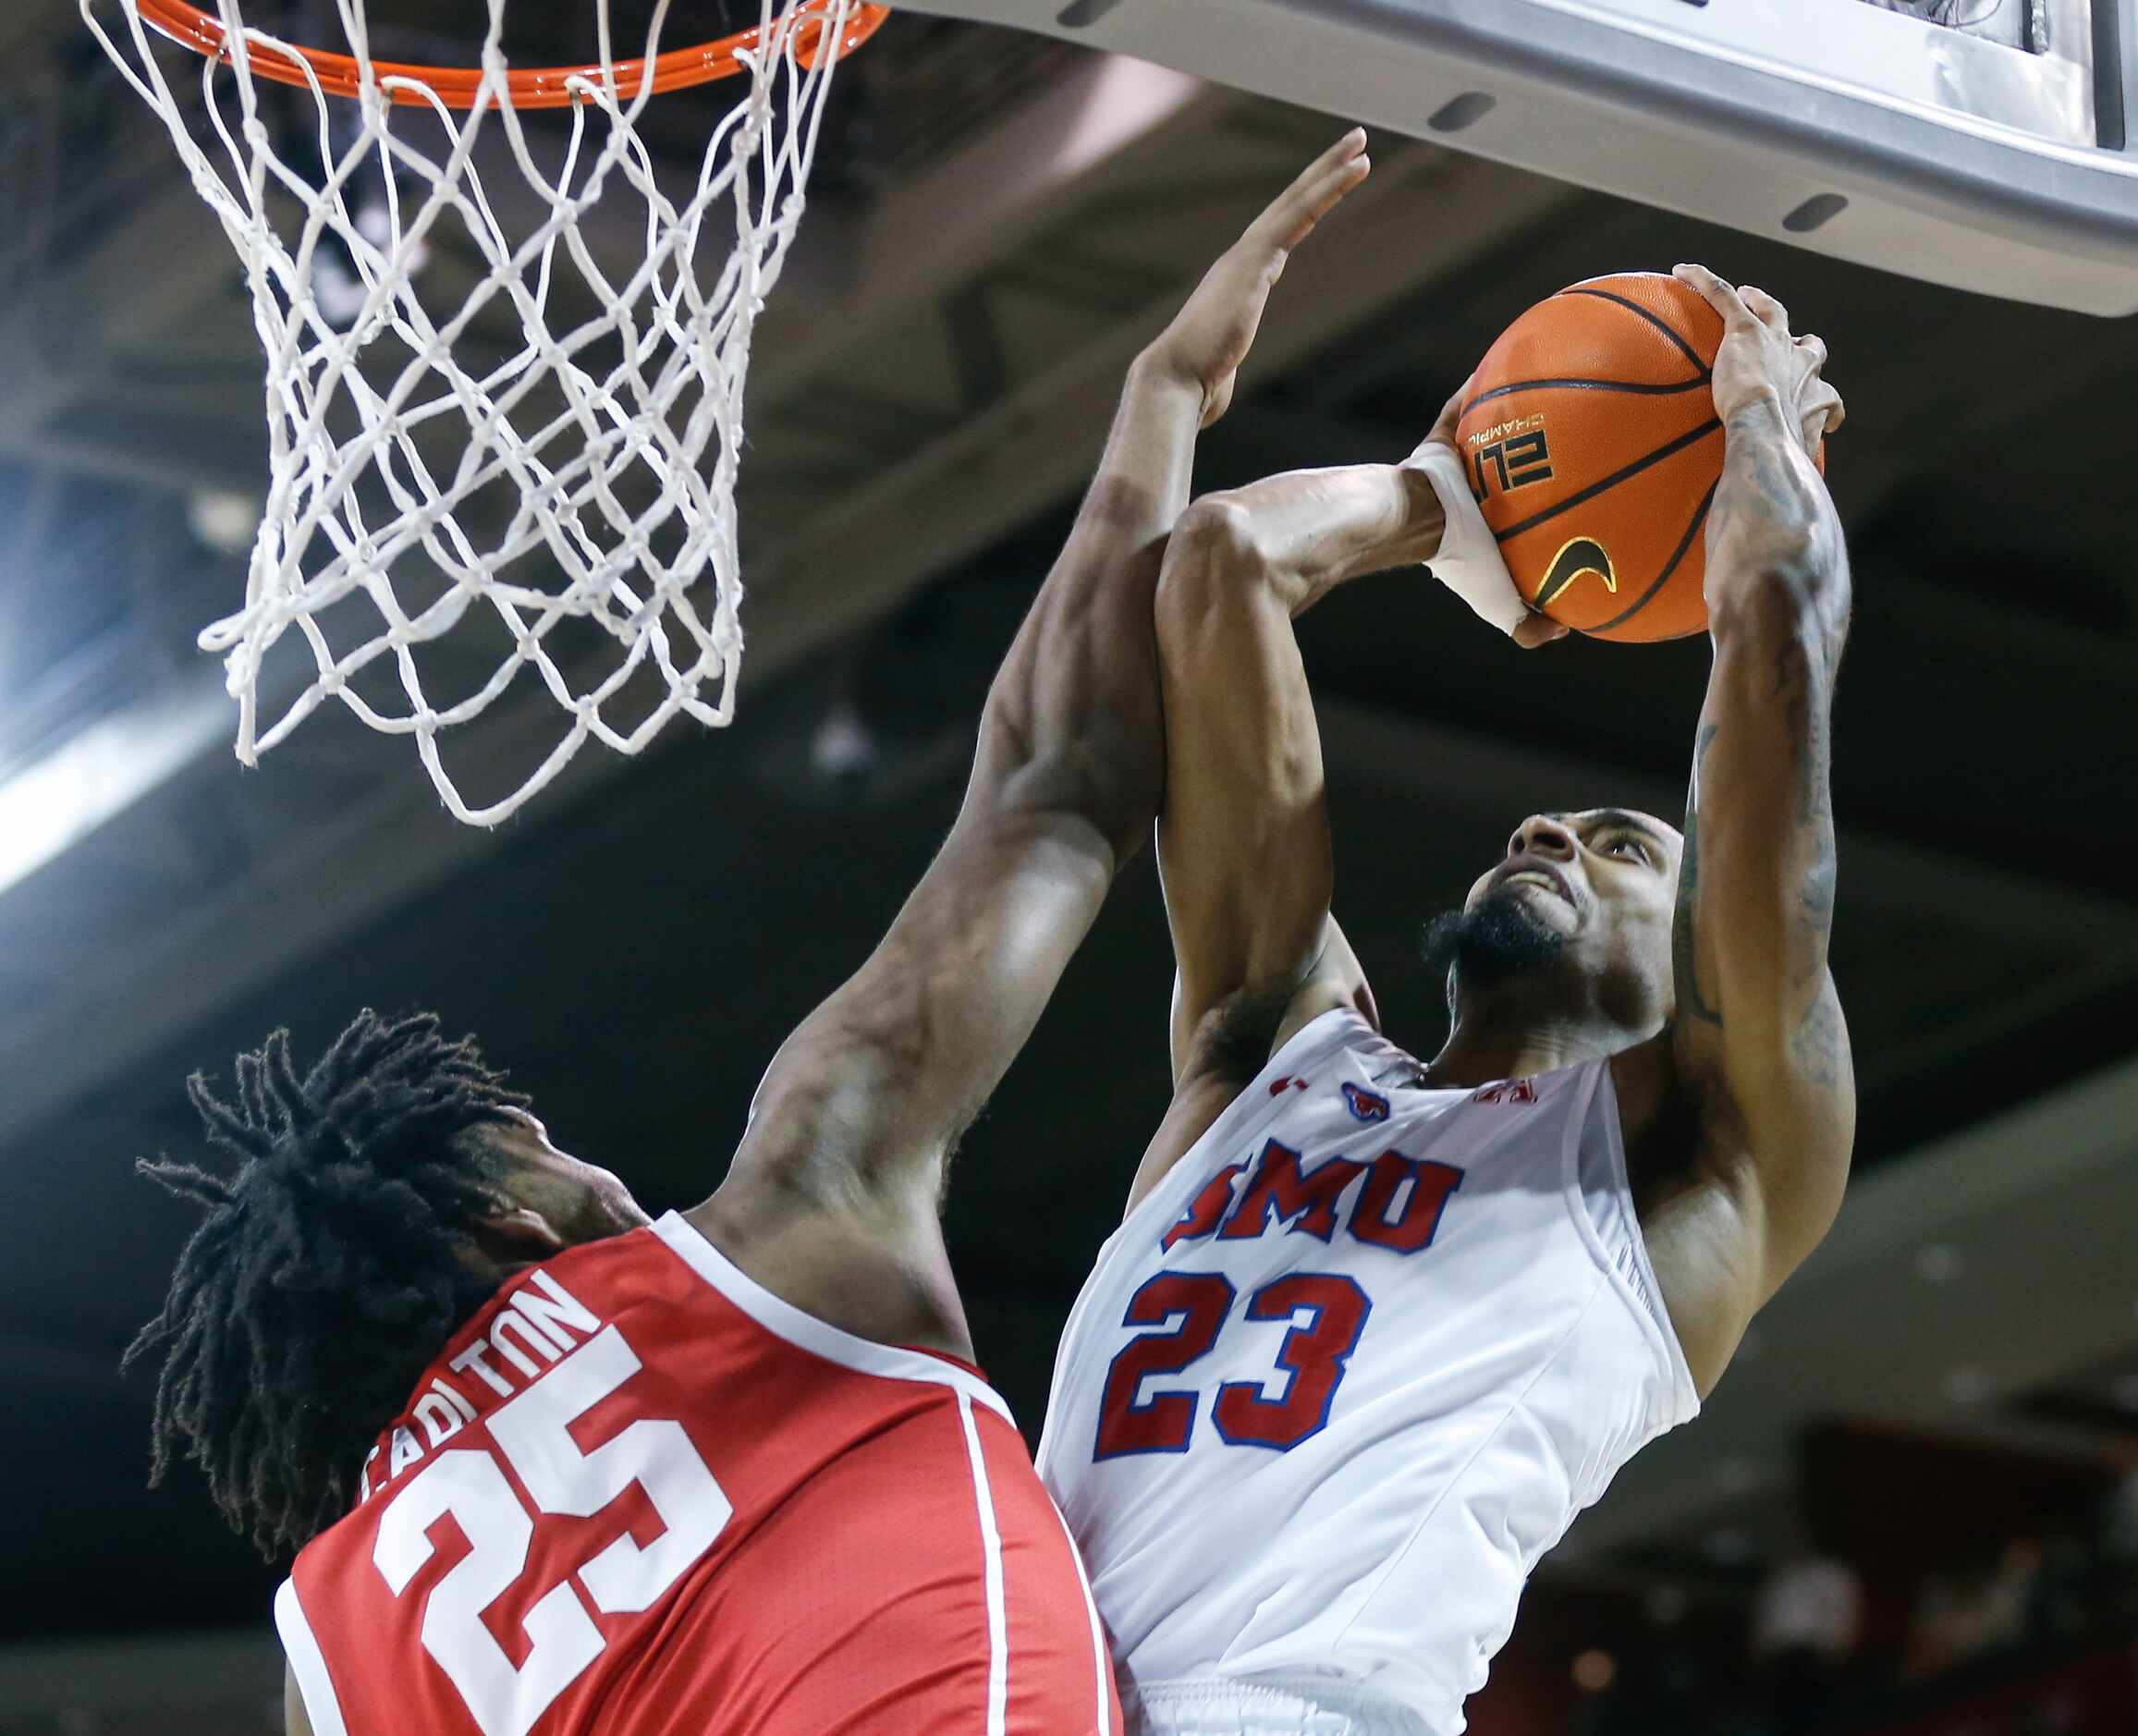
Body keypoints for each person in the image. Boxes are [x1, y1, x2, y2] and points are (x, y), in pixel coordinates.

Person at [123, 133, 1376, 1736]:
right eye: (553, 1160)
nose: (608, 1181)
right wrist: (1154, 405)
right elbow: (1057, 785)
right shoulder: (784, 1226)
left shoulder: (334, 1659)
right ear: (505, 1236)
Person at [1037, 264, 1853, 1734]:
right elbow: (1224, 560)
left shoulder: (1697, 1164)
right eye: (1544, 825)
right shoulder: (1266, 1050)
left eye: (1621, 845)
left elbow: (1774, 618)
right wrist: (1448, 505)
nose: (1547, 833)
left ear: (1705, 955)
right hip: (1010, 1689)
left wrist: (1756, 433)